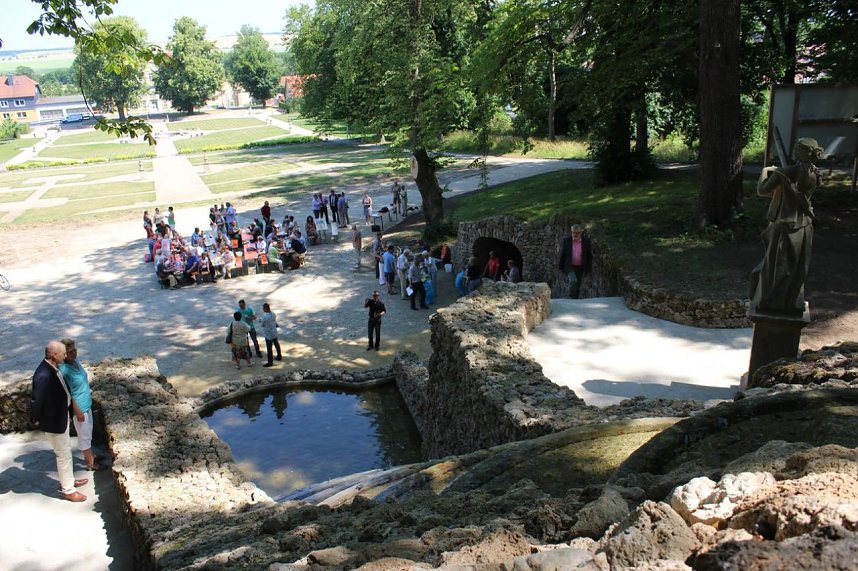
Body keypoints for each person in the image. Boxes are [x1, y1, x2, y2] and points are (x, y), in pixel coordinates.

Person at [750, 138, 822, 315]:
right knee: (797, 267)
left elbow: (762, 190)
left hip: (784, 225)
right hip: (804, 225)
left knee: (777, 266)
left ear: (798, 152)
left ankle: (773, 303)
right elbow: (794, 195)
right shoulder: (815, 173)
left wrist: (766, 171)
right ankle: (792, 301)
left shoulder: (783, 173)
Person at [31, 341, 88, 502]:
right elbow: (37, 400)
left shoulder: (52, 368)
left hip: (61, 417)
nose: (65, 356)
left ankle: (69, 480)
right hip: (54, 421)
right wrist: (35, 419)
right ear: (54, 355)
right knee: (63, 455)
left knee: (66, 452)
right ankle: (68, 490)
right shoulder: (43, 374)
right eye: (63, 354)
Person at [58, 339, 104, 472]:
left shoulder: (75, 362)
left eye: (74, 350)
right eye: (69, 352)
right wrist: (77, 410)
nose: (73, 353)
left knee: (88, 432)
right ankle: (90, 462)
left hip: (86, 403)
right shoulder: (64, 370)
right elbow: (68, 392)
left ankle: (91, 455)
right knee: (84, 435)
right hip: (79, 407)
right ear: (64, 354)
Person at [558, 224, 592, 299]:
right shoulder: (567, 241)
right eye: (573, 232)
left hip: (581, 267)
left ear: (581, 233)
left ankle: (575, 299)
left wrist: (589, 268)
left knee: (578, 284)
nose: (575, 234)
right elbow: (563, 254)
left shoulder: (586, 241)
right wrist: (561, 267)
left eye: (577, 233)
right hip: (570, 266)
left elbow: (589, 255)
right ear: (571, 232)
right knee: (573, 281)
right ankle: (571, 297)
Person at [259, 303, 282, 367]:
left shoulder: (265, 316)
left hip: (268, 334)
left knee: (269, 348)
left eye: (263, 308)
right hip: (274, 332)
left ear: (265, 308)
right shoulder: (273, 314)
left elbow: (262, 324)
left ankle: (270, 362)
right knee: (276, 344)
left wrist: (260, 320)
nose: (262, 309)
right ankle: (279, 356)